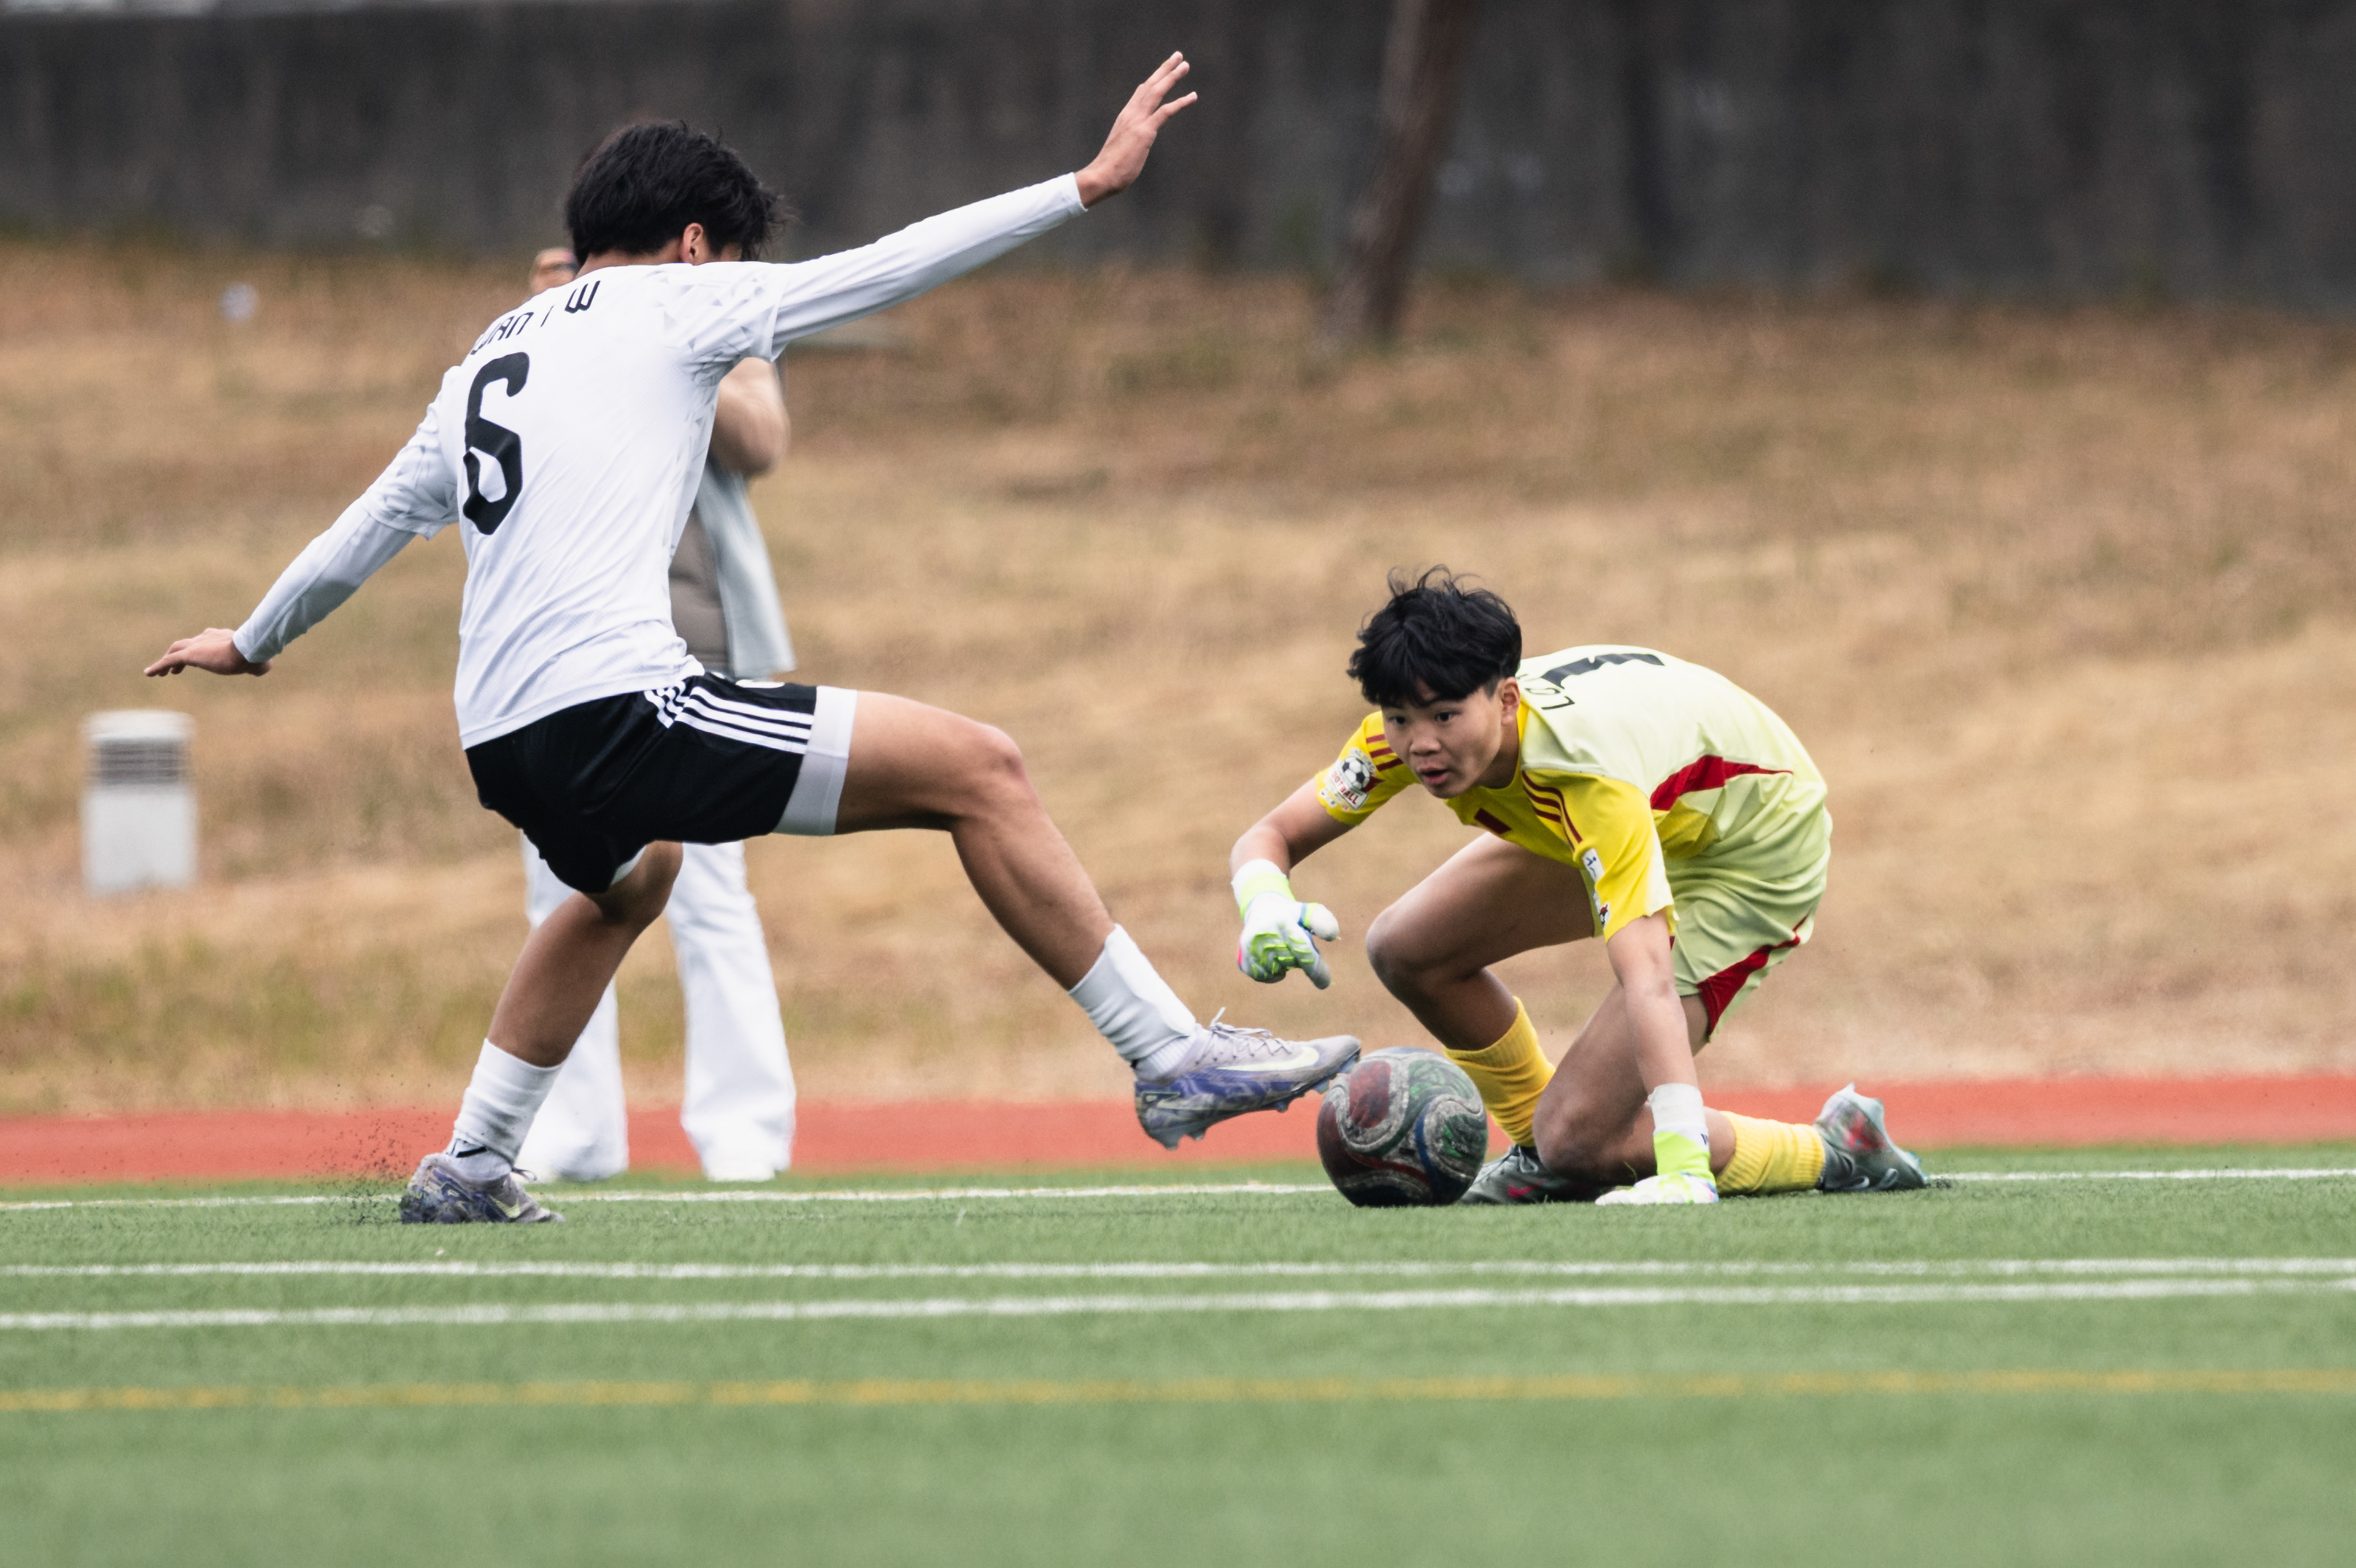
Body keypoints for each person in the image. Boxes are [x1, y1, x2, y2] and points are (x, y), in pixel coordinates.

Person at [148, 55, 1359, 1224]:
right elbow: (888, 268)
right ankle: (1170, 1060)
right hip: (620, 709)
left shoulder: (485, 357)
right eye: (725, 257)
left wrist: (252, 640)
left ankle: (471, 1161)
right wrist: (1081, 188)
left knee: (637, 879)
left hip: (503, 738)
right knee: (980, 769)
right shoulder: (681, 298)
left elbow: (369, 523)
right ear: (691, 245)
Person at [1223, 569, 1926, 1205]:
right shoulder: (1397, 739)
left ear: (1505, 700)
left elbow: (1646, 973)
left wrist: (1683, 1167)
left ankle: (1837, 1149)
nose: (1420, 744)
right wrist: (1262, 904)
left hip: (1751, 852)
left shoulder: (1587, 776)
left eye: (1443, 717)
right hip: (1665, 811)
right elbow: (1270, 836)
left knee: (1582, 1142)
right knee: (1406, 947)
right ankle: (1540, 1155)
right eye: (1401, 719)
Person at [513, 244, 799, 1184]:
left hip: (699, 647)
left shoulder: (713, 313)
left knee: (713, 900)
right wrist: (565, 333)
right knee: (563, 898)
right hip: (565, 659)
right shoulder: (541, 335)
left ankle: (746, 1139)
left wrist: (658, 344)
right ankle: (573, 1134)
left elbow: (761, 442)